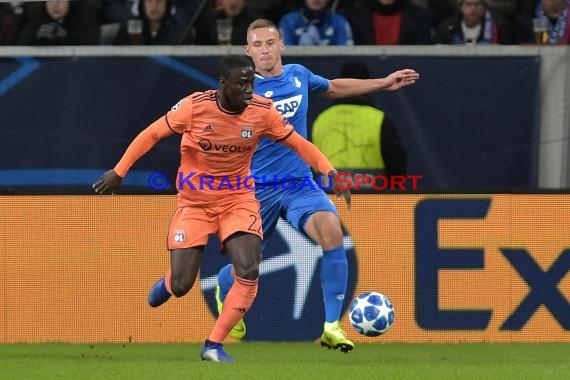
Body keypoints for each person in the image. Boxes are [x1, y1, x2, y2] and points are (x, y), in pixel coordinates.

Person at [148, 19, 418, 353]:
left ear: (282, 45)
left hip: (299, 184)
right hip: (254, 190)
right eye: (257, 45)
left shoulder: (299, 76)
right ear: (248, 51)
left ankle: (332, 327)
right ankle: (224, 283)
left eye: (270, 43)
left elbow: (333, 87)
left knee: (332, 232)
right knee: (248, 267)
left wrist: (383, 83)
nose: (265, 50)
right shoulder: (241, 90)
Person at [94, 54, 349, 362]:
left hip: (239, 199)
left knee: (249, 268)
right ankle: (170, 284)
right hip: (195, 203)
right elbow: (151, 135)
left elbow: (298, 143)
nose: (249, 89)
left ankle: (213, 344)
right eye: (242, 83)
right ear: (223, 84)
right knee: (183, 283)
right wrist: (119, 172)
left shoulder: (261, 112)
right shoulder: (193, 107)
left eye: (252, 82)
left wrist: (328, 169)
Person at [312, 61, 407, 190]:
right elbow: (396, 164)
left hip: (328, 200)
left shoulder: (322, 119)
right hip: (371, 201)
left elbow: (307, 162)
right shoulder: (378, 119)